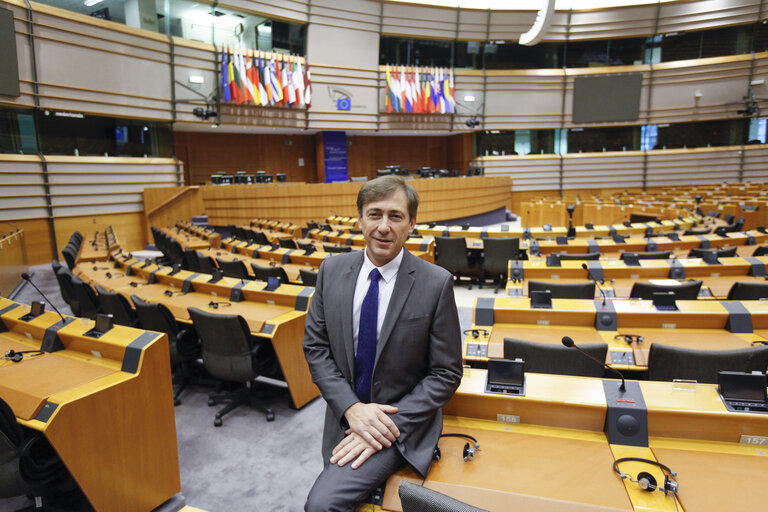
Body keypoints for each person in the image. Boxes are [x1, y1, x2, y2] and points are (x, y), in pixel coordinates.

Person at [303, 175, 463, 512]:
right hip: (343, 414)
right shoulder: (331, 270)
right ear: (359, 219)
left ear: (412, 224)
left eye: (396, 216)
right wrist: (351, 408)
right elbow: (316, 348)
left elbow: (446, 374)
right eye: (375, 214)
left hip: (399, 421)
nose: (383, 227)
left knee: (321, 504)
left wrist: (382, 425)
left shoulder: (435, 283)